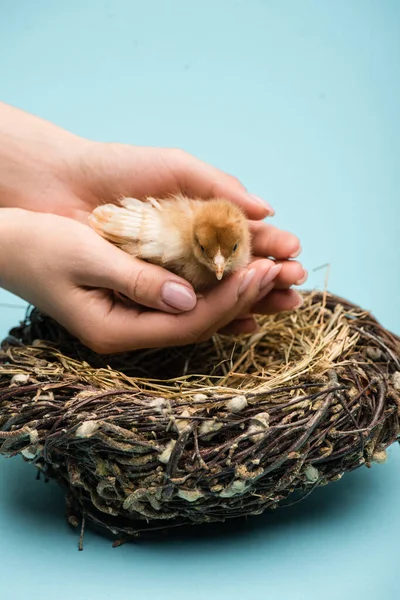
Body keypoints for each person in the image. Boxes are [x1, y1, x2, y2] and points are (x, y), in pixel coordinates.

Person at [0, 102, 306, 354]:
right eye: (204, 250)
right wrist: (11, 246)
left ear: (243, 240)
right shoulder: (170, 239)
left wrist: (57, 169)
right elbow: (111, 224)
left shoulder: (222, 243)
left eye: (231, 252)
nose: (218, 264)